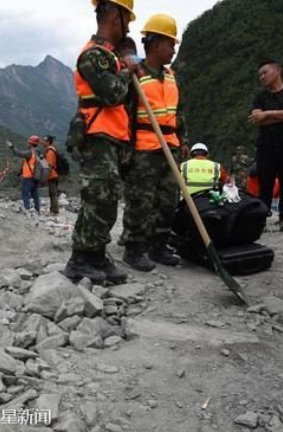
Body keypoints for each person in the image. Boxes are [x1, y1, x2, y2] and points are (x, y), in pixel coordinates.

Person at [62, 0, 136, 284]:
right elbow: (113, 93)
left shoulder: (109, 56)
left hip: (110, 135)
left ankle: (95, 253)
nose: (128, 25)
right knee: (99, 196)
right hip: (96, 135)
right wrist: (127, 72)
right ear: (114, 17)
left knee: (105, 196)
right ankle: (82, 258)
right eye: (127, 17)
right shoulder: (93, 55)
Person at [121, 13, 187, 272]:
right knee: (142, 200)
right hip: (143, 148)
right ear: (156, 43)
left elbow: (179, 111)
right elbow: (124, 115)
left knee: (169, 198)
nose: (173, 49)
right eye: (171, 44)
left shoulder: (171, 76)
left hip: (169, 143)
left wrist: (183, 139)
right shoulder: (136, 76)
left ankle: (158, 245)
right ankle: (134, 248)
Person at [249, 60, 283, 232]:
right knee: (265, 184)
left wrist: (268, 114)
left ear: (277, 71)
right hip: (266, 146)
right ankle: (262, 220)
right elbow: (257, 120)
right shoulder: (260, 97)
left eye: (265, 72)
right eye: (260, 75)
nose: (262, 77)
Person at [6, 136, 42, 214]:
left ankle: (27, 209)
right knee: (35, 194)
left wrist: (11, 146)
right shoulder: (39, 153)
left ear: (31, 143)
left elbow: (19, 153)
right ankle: (37, 210)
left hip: (29, 177)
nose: (27, 144)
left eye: (28, 142)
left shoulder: (30, 153)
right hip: (36, 177)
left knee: (25, 193)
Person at [42, 135, 60, 214]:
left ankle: (54, 211)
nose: (43, 142)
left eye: (44, 141)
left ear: (48, 142)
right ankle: (52, 209)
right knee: (52, 193)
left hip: (52, 175)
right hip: (54, 174)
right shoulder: (52, 149)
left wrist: (45, 177)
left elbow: (49, 165)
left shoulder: (49, 152)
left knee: (53, 193)